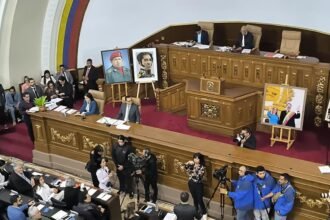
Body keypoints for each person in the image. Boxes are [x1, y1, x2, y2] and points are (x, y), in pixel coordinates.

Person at [184, 152, 207, 219]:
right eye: (195, 158)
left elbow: (198, 177)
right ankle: (196, 211)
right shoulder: (191, 164)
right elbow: (186, 170)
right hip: (191, 183)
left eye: (197, 159)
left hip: (198, 184)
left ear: (200, 159)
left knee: (200, 199)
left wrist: (192, 168)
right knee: (194, 198)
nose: (196, 160)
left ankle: (204, 212)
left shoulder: (202, 167)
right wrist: (187, 163)